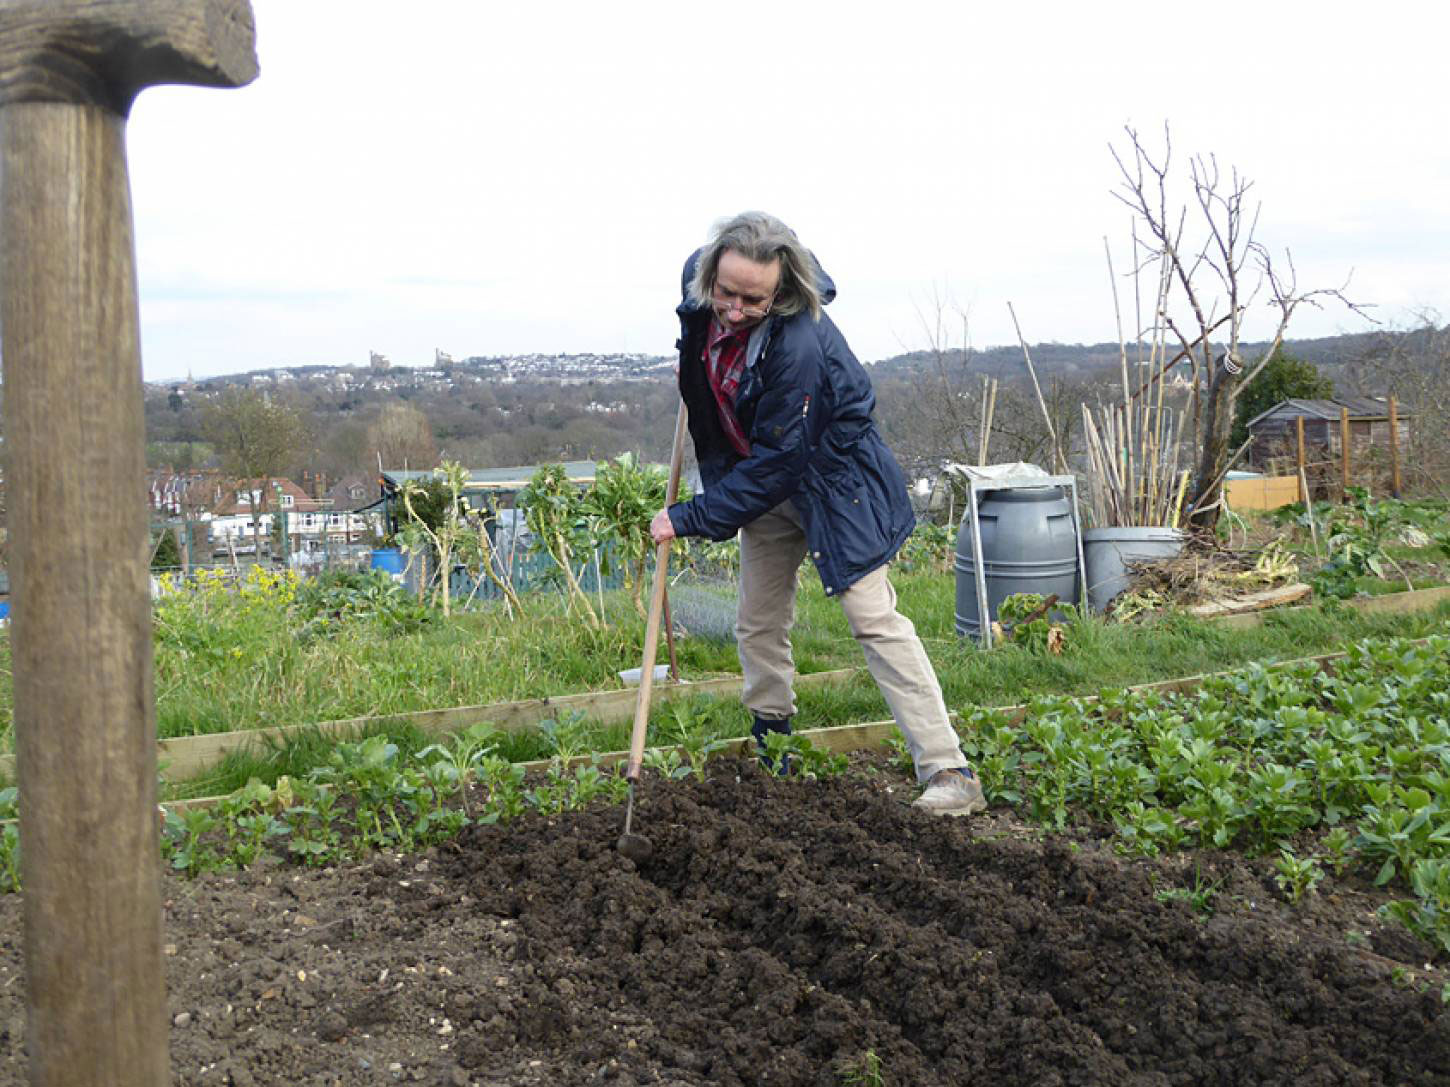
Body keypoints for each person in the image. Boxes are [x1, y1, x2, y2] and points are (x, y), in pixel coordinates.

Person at [649, 211, 986, 816]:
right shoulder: (699, 282)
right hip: (764, 475)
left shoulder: (799, 340)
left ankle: (949, 769)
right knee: (757, 621)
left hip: (833, 481)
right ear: (711, 274)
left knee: (872, 617)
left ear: (781, 289)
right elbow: (713, 368)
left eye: (753, 300)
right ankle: (773, 751)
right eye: (726, 294)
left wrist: (691, 516)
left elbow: (785, 459)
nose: (735, 310)